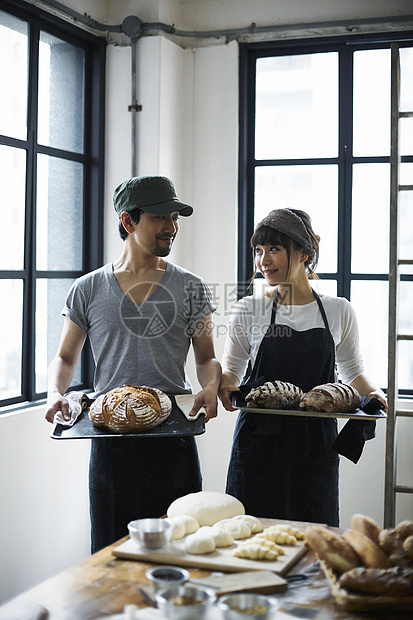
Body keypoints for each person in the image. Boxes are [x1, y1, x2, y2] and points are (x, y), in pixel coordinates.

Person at [45, 175, 221, 553]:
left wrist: (208, 386)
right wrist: (54, 393)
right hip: (111, 445)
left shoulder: (191, 287)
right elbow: (64, 357)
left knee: (179, 556)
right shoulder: (87, 289)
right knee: (111, 557)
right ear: (128, 221)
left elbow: (206, 358)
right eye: (160, 218)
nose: (171, 228)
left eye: (175, 217)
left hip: (174, 441)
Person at [218, 208, 387, 527]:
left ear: (304, 253)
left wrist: (375, 393)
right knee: (251, 539)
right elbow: (233, 370)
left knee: (312, 546)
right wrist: (225, 387)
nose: (263, 260)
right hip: (257, 448)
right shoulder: (249, 308)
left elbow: (353, 373)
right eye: (258, 250)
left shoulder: (338, 310)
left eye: (274, 249)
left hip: (314, 449)